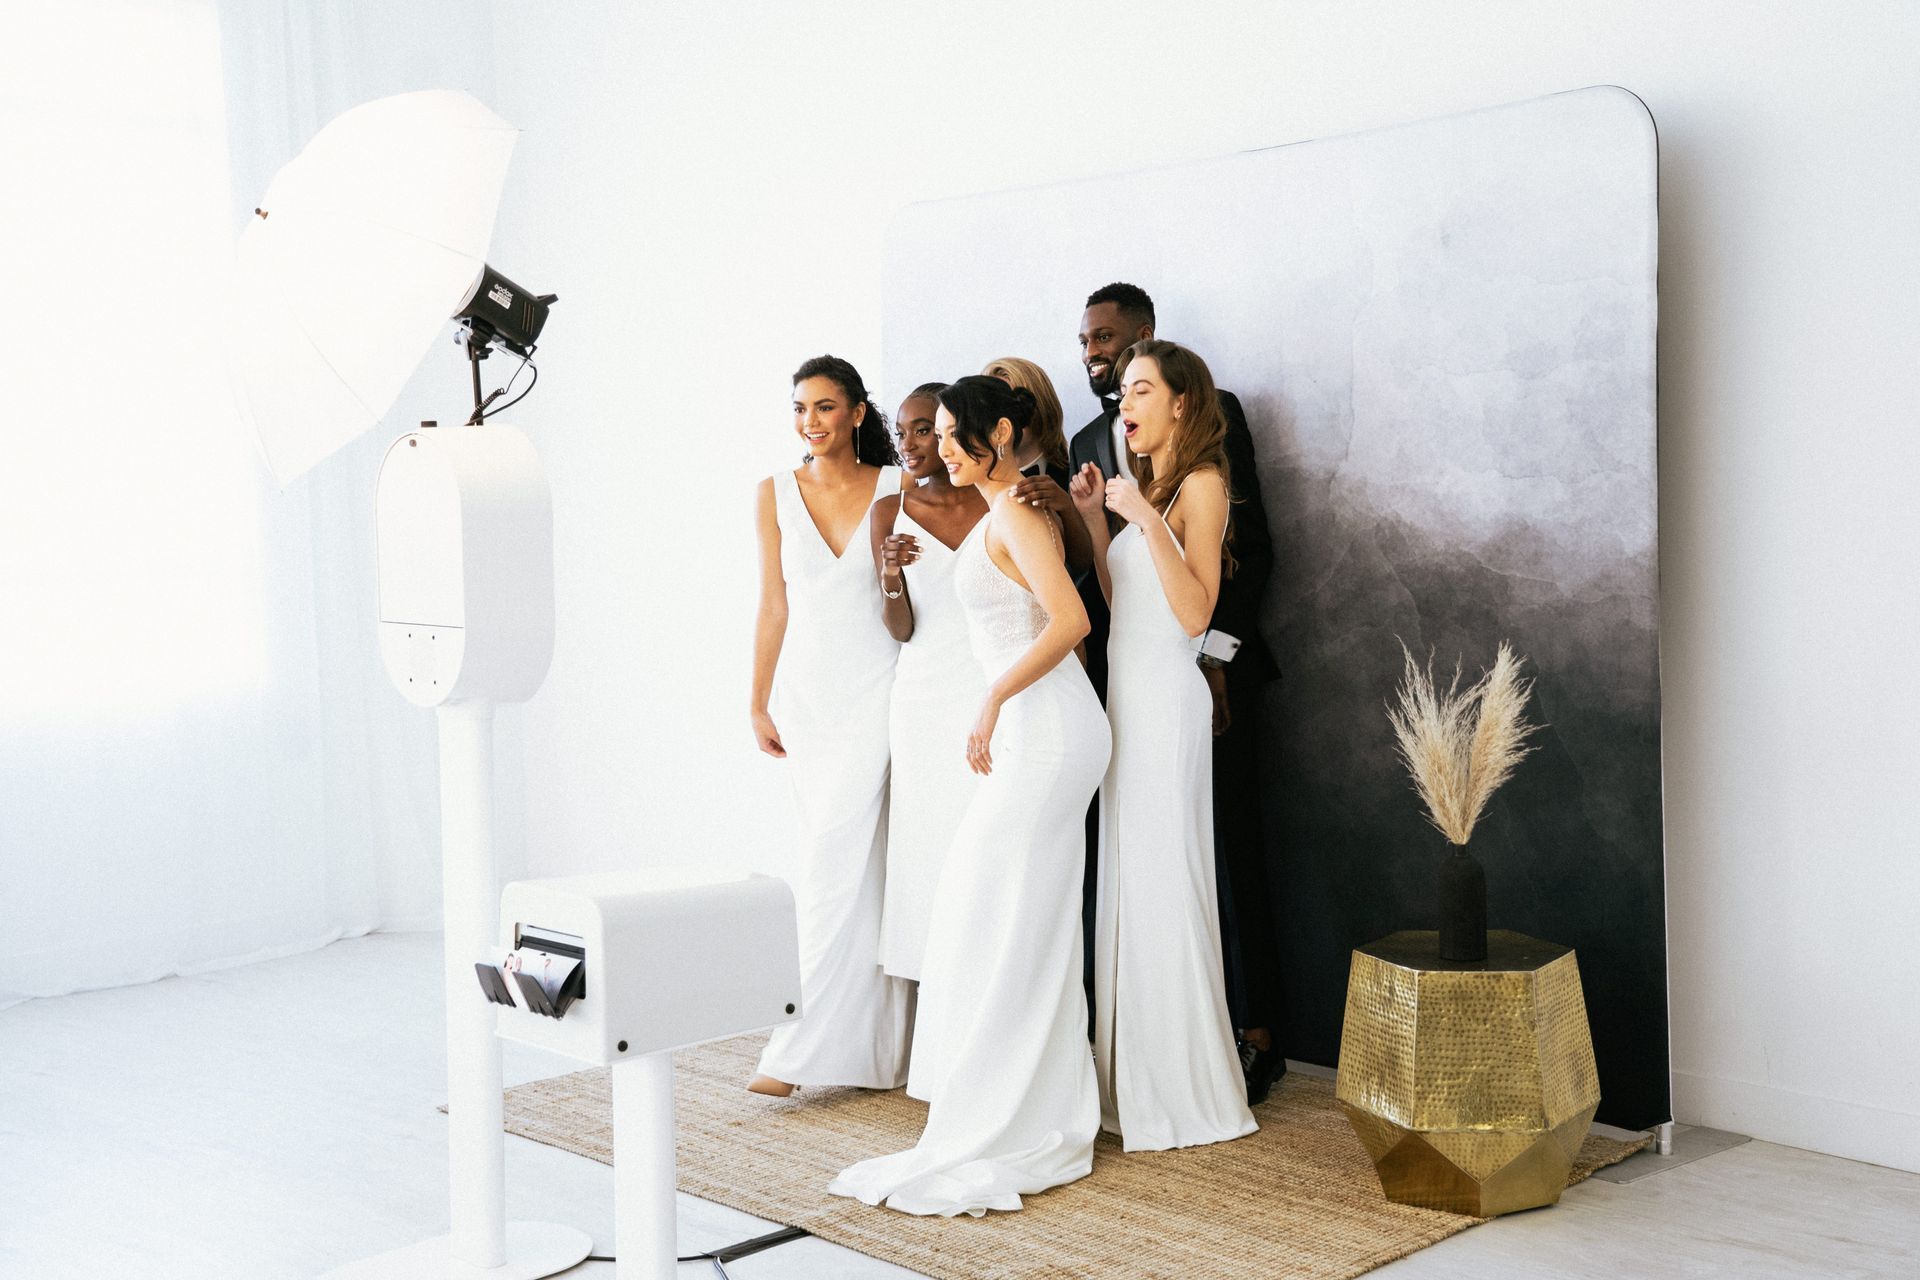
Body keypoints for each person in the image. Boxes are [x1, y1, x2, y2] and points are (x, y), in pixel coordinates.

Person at [831, 376, 1109, 1215]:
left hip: (1048, 732)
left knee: (991, 907)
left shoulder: (1017, 513)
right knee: (1015, 915)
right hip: (1043, 728)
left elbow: (1071, 622)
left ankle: (1008, 1111)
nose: (939, 447)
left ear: (996, 432)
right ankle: (1031, 1104)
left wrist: (991, 699)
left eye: (954, 434)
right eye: (937, 434)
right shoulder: (1003, 512)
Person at [1067, 282, 1285, 1104]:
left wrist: (1216, 661)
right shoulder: (1109, 450)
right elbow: (1130, 605)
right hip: (1132, 690)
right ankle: (1137, 1064)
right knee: (1135, 876)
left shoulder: (1203, 458)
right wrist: (1097, 521)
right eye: (1089, 343)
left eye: (1124, 358)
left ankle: (1233, 1045)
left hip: (1192, 682)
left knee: (1214, 864)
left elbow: (1225, 578)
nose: (1106, 368)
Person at [747, 355, 912, 1097]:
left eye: (823, 407)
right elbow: (773, 605)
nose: (809, 422)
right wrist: (758, 699)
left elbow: (911, 597)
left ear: (853, 412)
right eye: (799, 409)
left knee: (832, 859)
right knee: (856, 865)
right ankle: (878, 1051)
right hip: (808, 700)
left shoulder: (897, 487)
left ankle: (795, 1047)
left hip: (880, 687)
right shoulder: (773, 494)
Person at [869, 383, 988, 991]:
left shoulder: (998, 502)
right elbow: (900, 627)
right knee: (927, 842)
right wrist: (890, 574)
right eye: (904, 432)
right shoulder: (889, 511)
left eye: (926, 430)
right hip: (922, 697)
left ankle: (984, 981)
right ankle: (937, 999)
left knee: (983, 838)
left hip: (990, 689)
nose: (911, 444)